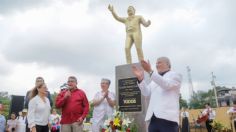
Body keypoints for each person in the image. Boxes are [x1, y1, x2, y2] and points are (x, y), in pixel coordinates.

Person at [132, 57, 182, 132]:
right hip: (154, 119)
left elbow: (166, 84)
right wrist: (140, 79)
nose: (156, 65)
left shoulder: (175, 75)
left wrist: (149, 71)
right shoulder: (154, 80)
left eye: (159, 62)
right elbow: (146, 92)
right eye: (156, 63)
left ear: (168, 64)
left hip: (168, 120)